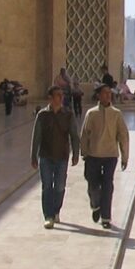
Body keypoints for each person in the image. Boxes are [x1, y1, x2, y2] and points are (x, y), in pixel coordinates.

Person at [80, 84, 130, 229]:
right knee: (93, 185)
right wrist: (84, 151)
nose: (108, 95)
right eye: (105, 93)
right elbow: (85, 134)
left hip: (110, 155)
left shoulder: (116, 114)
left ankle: (106, 217)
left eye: (109, 93)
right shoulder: (92, 113)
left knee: (108, 185)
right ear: (99, 96)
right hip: (93, 155)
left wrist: (125, 156)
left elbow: (123, 136)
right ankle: (96, 205)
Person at [30, 86, 81, 228]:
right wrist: (33, 156)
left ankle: (56, 210)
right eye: (57, 95)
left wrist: (76, 153)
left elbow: (74, 136)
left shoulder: (68, 114)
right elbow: (36, 137)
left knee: (59, 186)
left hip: (62, 156)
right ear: (50, 98)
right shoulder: (42, 115)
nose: (61, 98)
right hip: (45, 156)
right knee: (47, 187)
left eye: (61, 95)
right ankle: (48, 215)